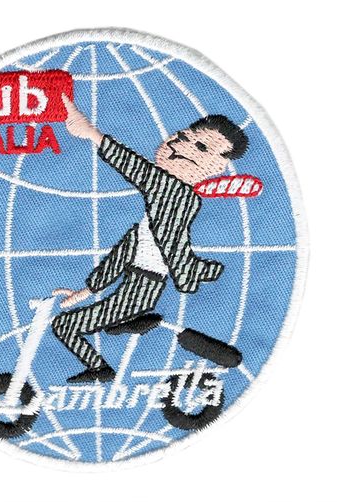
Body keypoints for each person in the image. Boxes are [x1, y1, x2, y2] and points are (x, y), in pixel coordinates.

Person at [52, 96, 248, 383]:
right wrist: (86, 291)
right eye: (182, 137)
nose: (181, 145)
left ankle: (101, 367)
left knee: (64, 325)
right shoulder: (160, 210)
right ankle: (132, 321)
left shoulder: (176, 194)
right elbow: (124, 253)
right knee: (95, 320)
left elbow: (142, 172)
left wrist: (93, 134)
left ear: (218, 165)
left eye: (201, 147)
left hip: (143, 286)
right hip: (139, 282)